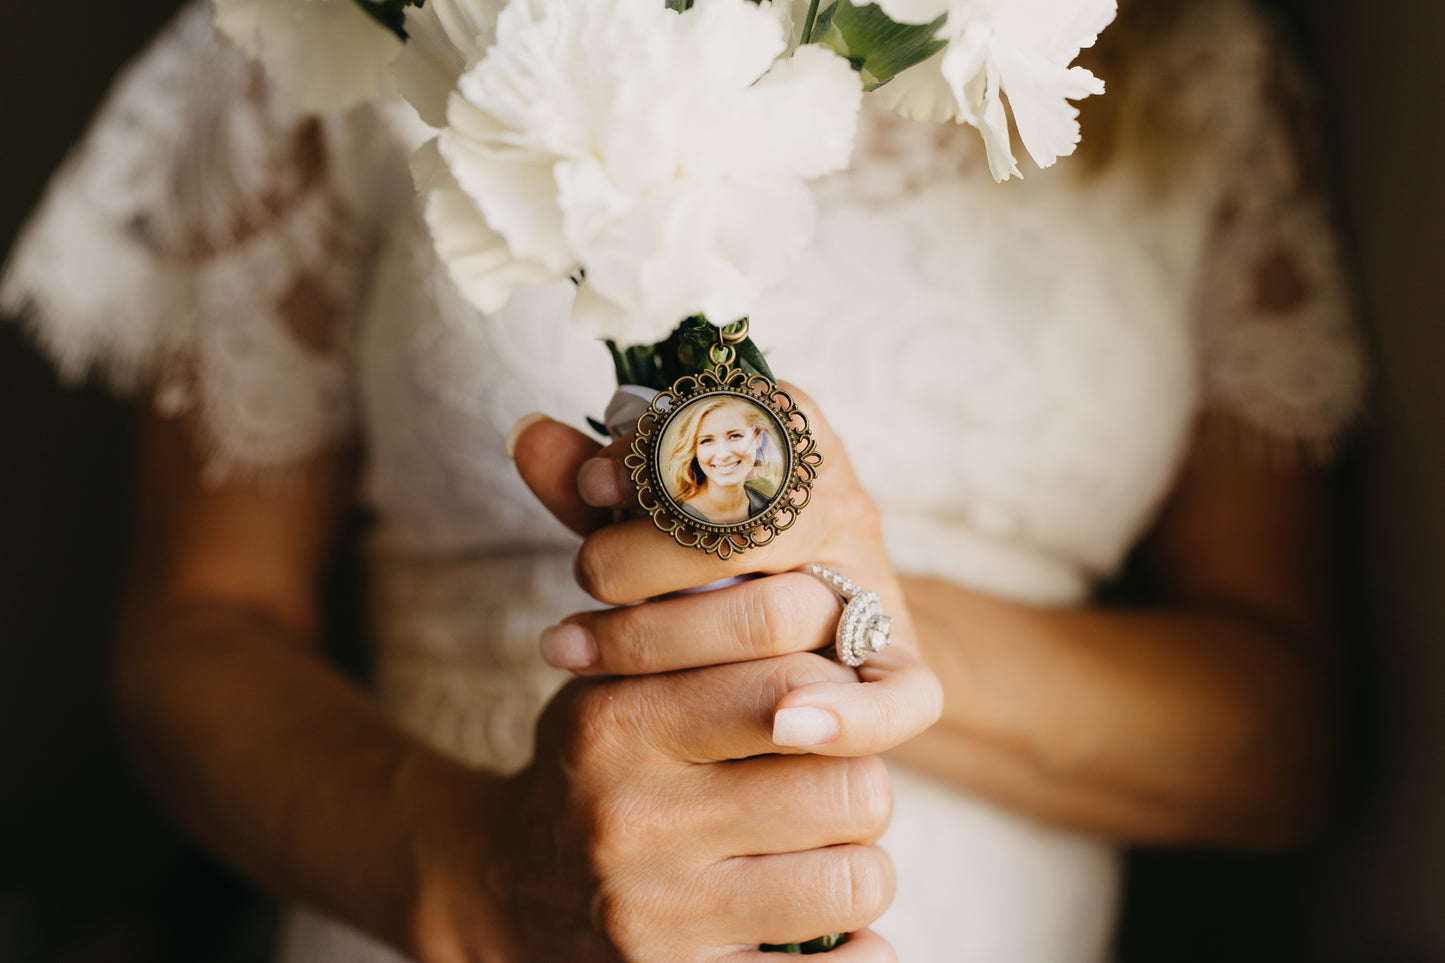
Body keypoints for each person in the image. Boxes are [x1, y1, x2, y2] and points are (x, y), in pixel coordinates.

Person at [0, 0, 1365, 959]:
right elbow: (198, 626)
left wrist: (848, 621)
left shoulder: (1193, 68)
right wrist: (472, 873)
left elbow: (1285, 742)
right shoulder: (367, 26)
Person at [663, 397, 783, 524]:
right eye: (707, 441)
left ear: (758, 437)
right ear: (695, 450)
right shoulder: (676, 516)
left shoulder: (768, 505)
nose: (723, 454)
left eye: (735, 436)